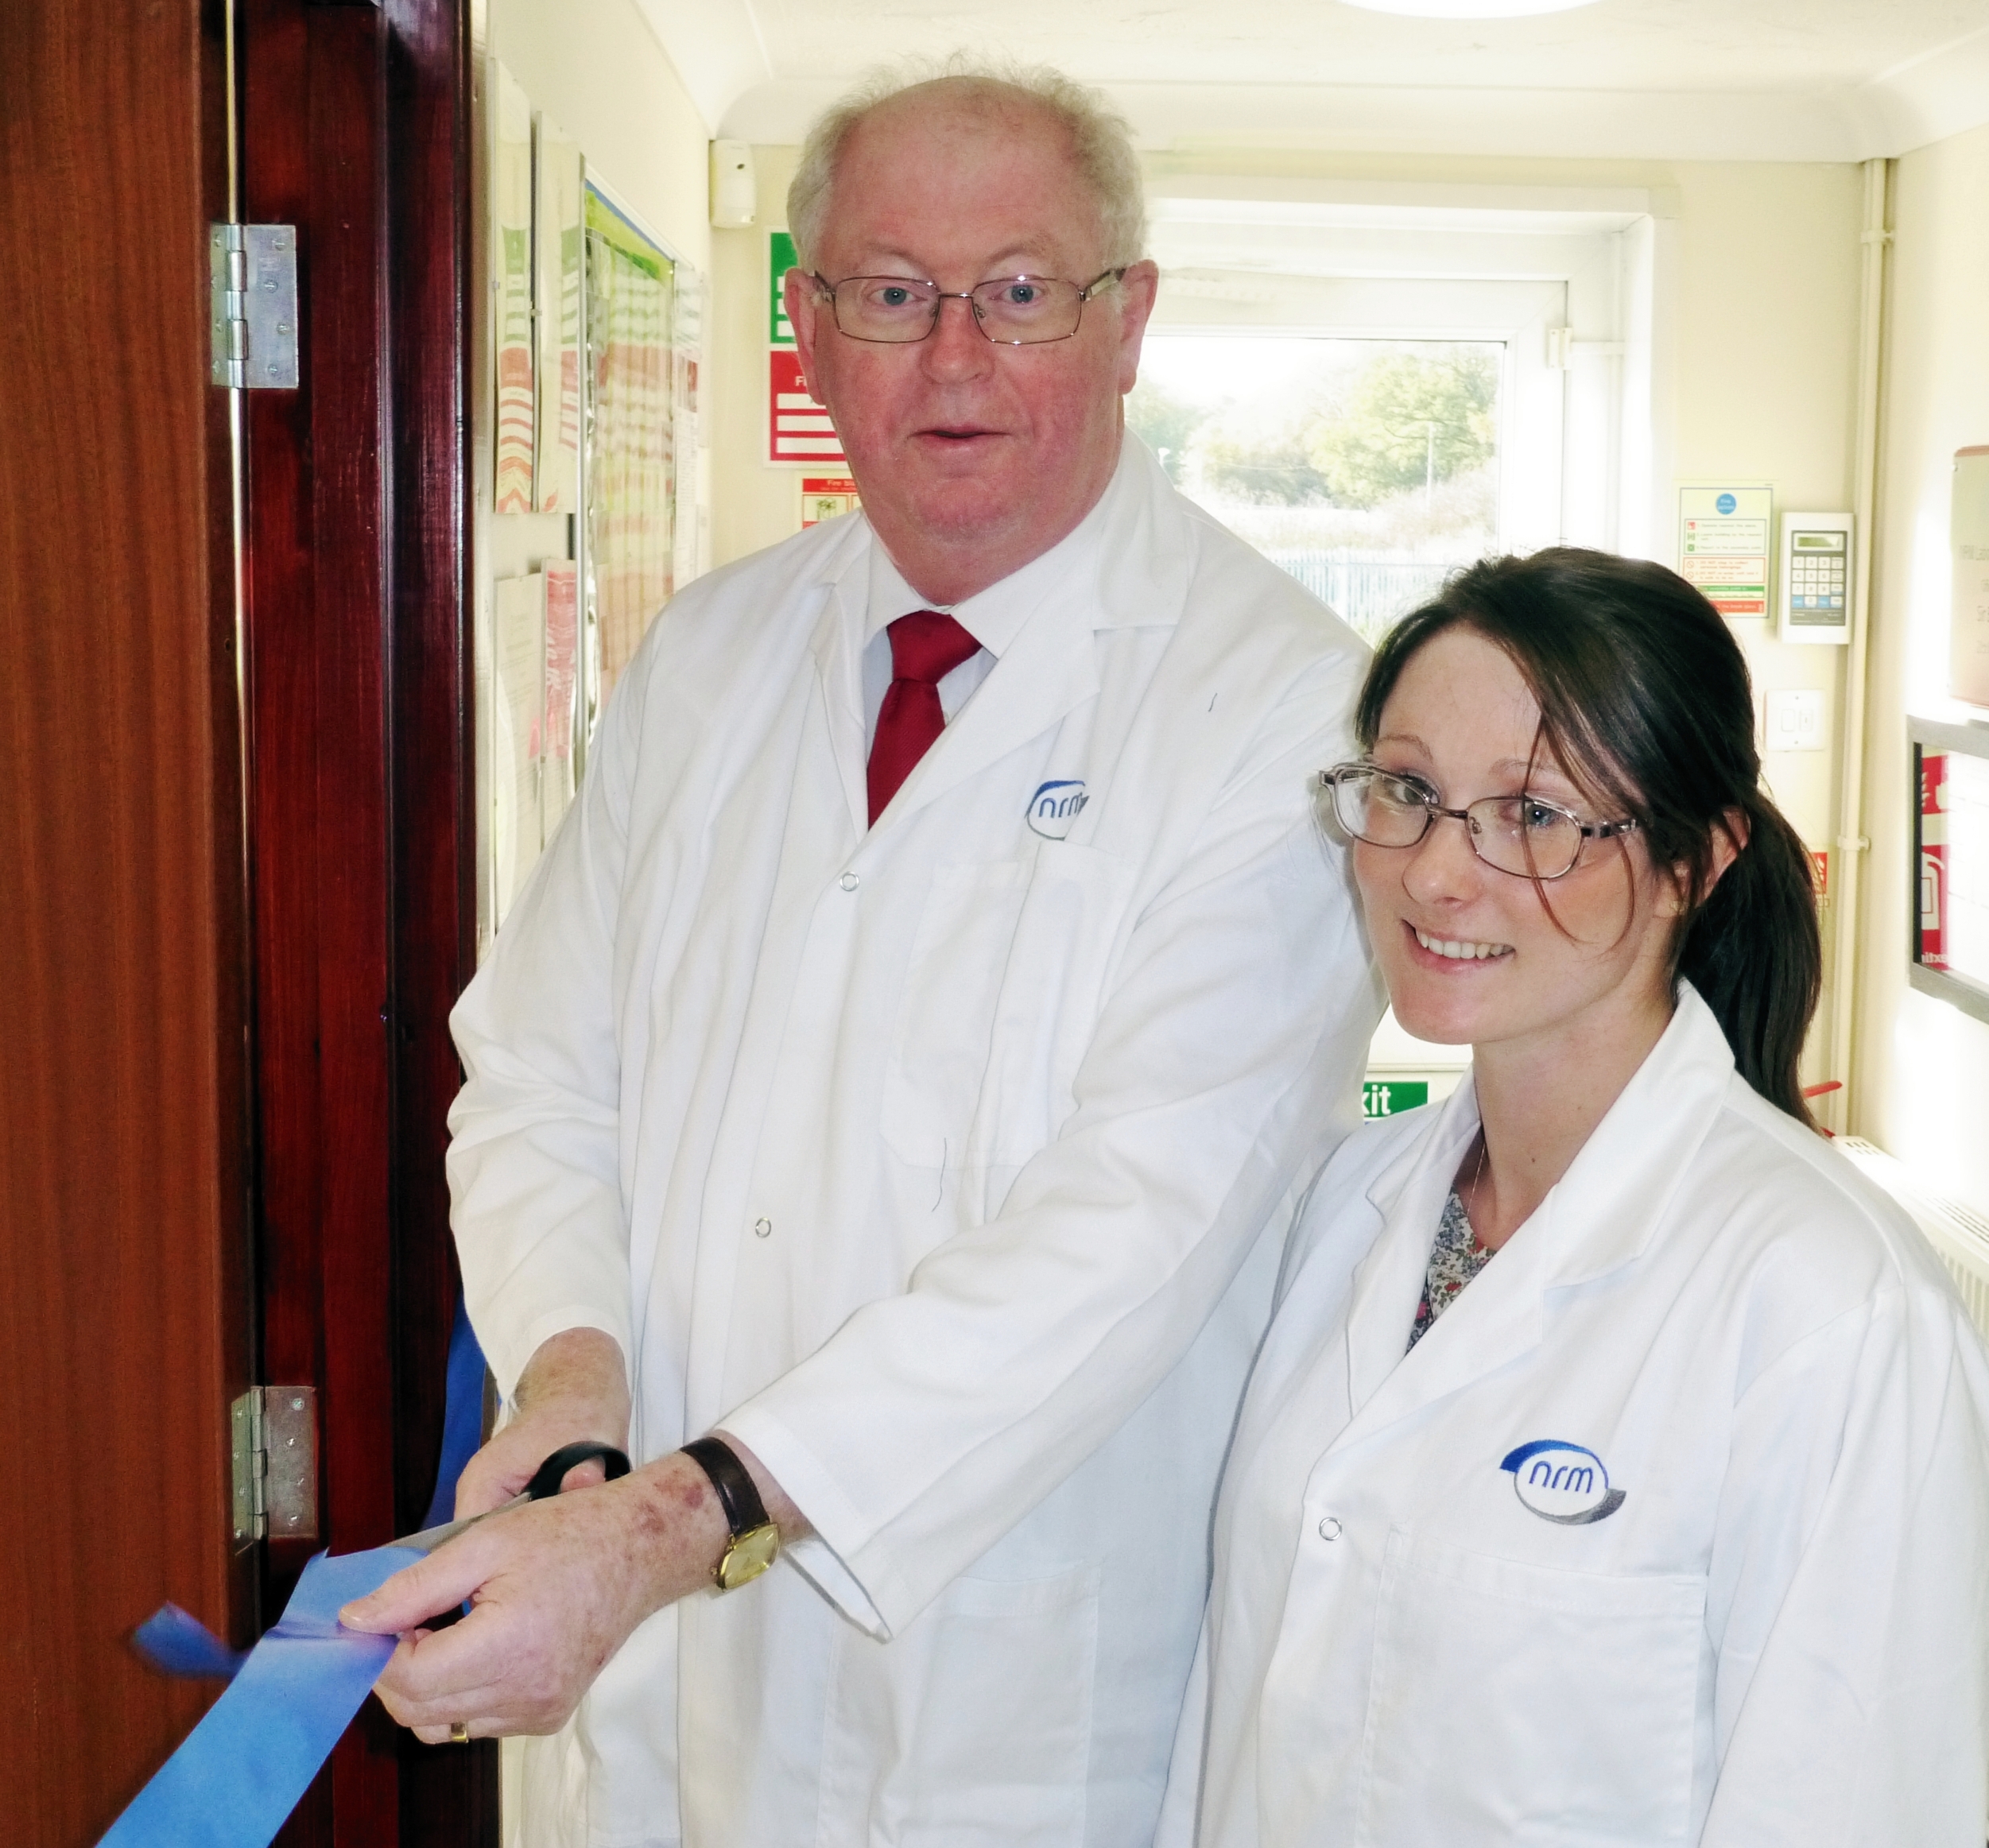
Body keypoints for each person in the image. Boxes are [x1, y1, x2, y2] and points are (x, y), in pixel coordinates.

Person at [343, 58, 1382, 1848]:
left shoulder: (1283, 702)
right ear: (811, 333)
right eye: (892, 294)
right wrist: (576, 1371)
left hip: (1021, 1687)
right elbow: (537, 1068)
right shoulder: (711, 654)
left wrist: (669, 1521)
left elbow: (1128, 1237)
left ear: (1128, 323)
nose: (956, 356)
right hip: (664, 1668)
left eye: (1023, 291)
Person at [1161, 547, 1989, 1847]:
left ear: (1693, 861)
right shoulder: (1348, 1207)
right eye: (1408, 790)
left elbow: (1860, 1797)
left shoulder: (1829, 1309)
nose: (1435, 873)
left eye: (1534, 815)